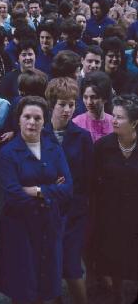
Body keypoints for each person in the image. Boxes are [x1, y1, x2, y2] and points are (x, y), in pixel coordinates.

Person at [0, 96, 73, 304]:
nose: (32, 122)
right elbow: (12, 194)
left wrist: (36, 190)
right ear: (19, 120)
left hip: (49, 224)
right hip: (19, 227)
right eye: (27, 117)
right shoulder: (7, 153)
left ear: (44, 121)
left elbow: (67, 189)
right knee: (22, 285)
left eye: (37, 118)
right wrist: (50, 191)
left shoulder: (54, 149)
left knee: (44, 284)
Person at [45, 78, 94, 304]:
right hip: (46, 210)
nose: (67, 110)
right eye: (62, 104)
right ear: (52, 104)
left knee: (72, 267)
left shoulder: (82, 137)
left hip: (74, 212)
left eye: (71, 104)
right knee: (50, 266)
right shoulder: (39, 133)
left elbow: (88, 177)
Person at [90, 94, 138, 303]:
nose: (114, 120)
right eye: (114, 116)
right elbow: (93, 181)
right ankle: (116, 295)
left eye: (120, 117)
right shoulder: (102, 146)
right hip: (110, 214)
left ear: (135, 122)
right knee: (114, 258)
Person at [73, 71, 113, 143]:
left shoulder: (113, 122)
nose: (89, 102)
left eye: (94, 97)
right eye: (85, 97)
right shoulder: (76, 123)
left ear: (105, 98)